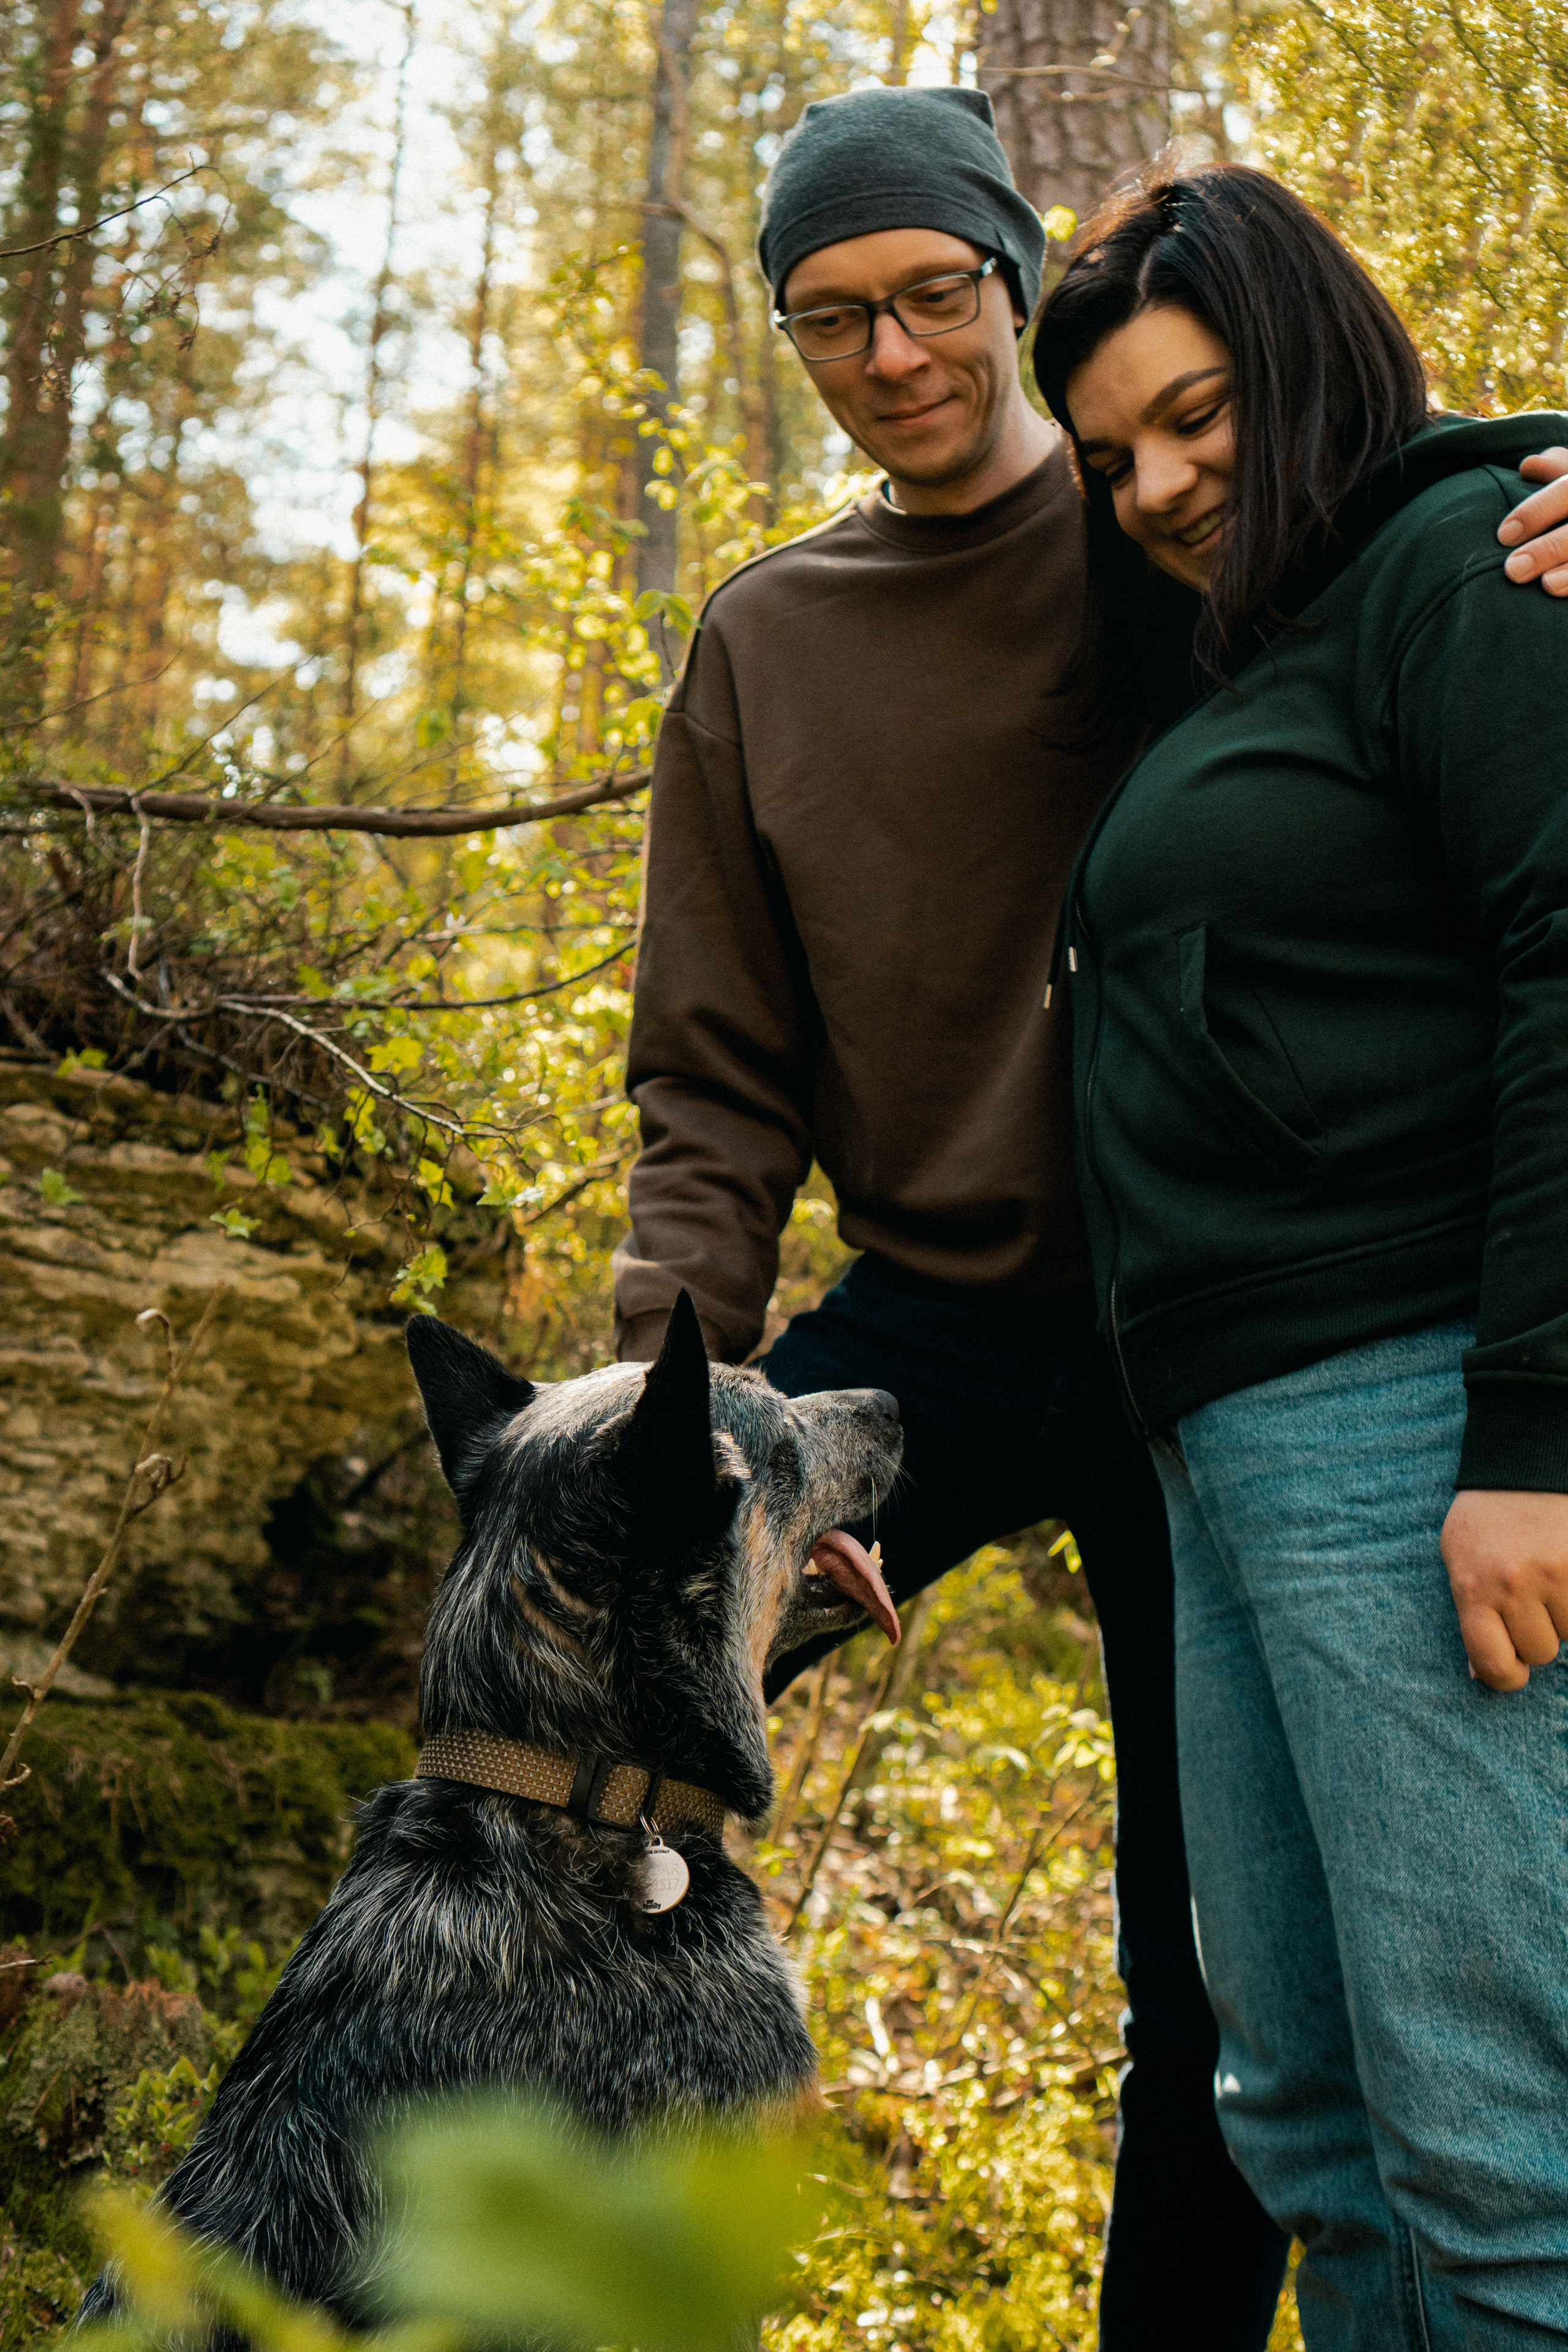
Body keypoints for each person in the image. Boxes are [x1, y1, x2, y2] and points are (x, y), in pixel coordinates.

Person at [613, 87, 1568, 2346]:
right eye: (830, 316)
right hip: (942, 1325)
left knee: (1220, 1981)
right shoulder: (776, 637)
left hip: (1240, 1330)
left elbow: (1421, 534)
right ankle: (463, 2228)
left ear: (1011, 278)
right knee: (596, 1691)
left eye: (937, 291)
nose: (894, 353)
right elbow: (714, 1081)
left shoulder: (1206, 536)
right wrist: (679, 1416)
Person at [1033, 162, 1568, 2349]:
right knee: (1315, 2130)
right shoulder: (1246, 641)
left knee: (1499, 2152)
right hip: (1229, 1447)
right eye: (1113, 459)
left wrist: (1534, 1437)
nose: (1158, 486)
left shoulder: (1474, 558)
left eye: (1199, 415)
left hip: (1413, 1409)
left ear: (1312, 356)